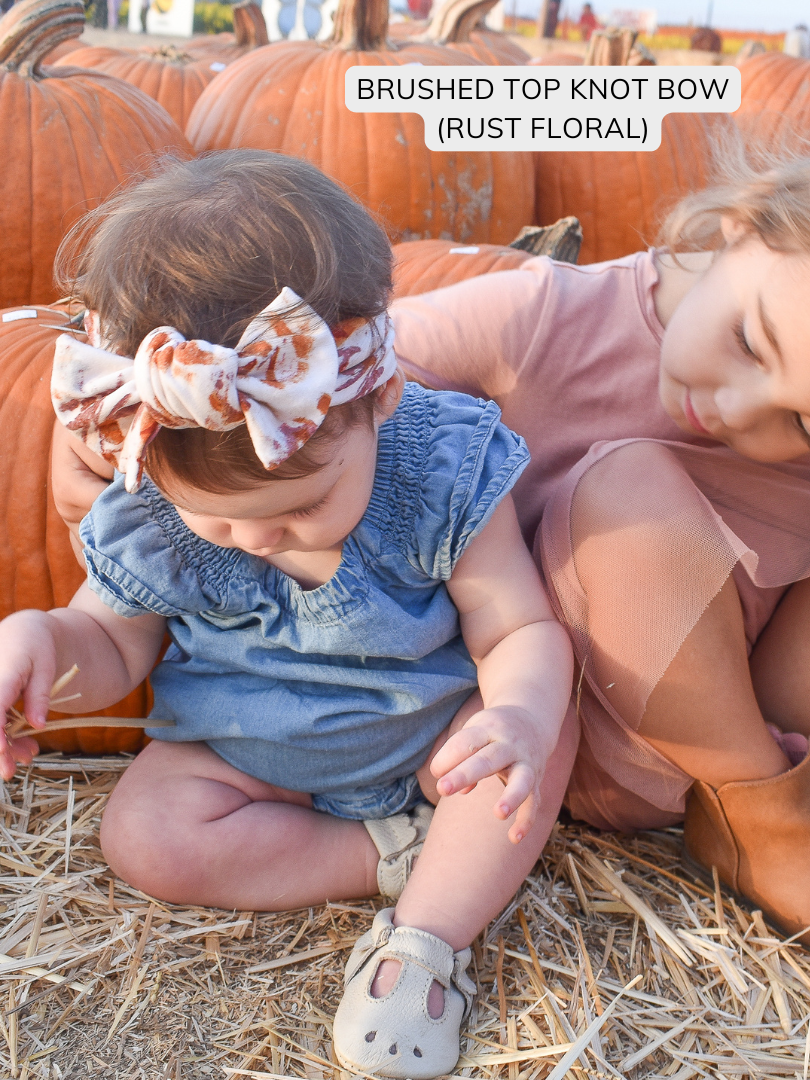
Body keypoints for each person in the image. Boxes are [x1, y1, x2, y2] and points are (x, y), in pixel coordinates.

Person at [380, 99, 810, 1078]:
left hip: (785, 718)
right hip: (590, 728)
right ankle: (767, 824)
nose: (739, 412)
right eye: (754, 343)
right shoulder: (550, 314)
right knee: (627, 482)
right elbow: (350, 375)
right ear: (744, 222)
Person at [8, 150, 576, 1080]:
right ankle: (380, 857)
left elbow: (516, 629)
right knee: (144, 834)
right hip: (246, 765)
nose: (258, 538)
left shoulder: (437, 469)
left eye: (301, 506)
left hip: (434, 746)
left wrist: (519, 714)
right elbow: (112, 641)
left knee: (531, 757)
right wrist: (41, 645)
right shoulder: (150, 503)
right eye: (220, 517)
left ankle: (424, 943)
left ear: (379, 401)